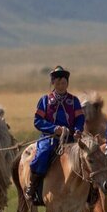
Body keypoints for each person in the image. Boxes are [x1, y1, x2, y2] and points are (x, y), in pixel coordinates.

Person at [26, 65, 85, 202]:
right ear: (53, 83)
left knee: (87, 158)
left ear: (67, 83)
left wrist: (77, 130)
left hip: (70, 138)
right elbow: (38, 121)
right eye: (58, 82)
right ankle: (33, 186)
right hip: (50, 138)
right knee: (43, 154)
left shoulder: (74, 101)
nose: (61, 85)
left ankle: (90, 193)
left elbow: (80, 118)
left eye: (63, 82)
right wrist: (54, 129)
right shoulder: (45, 100)